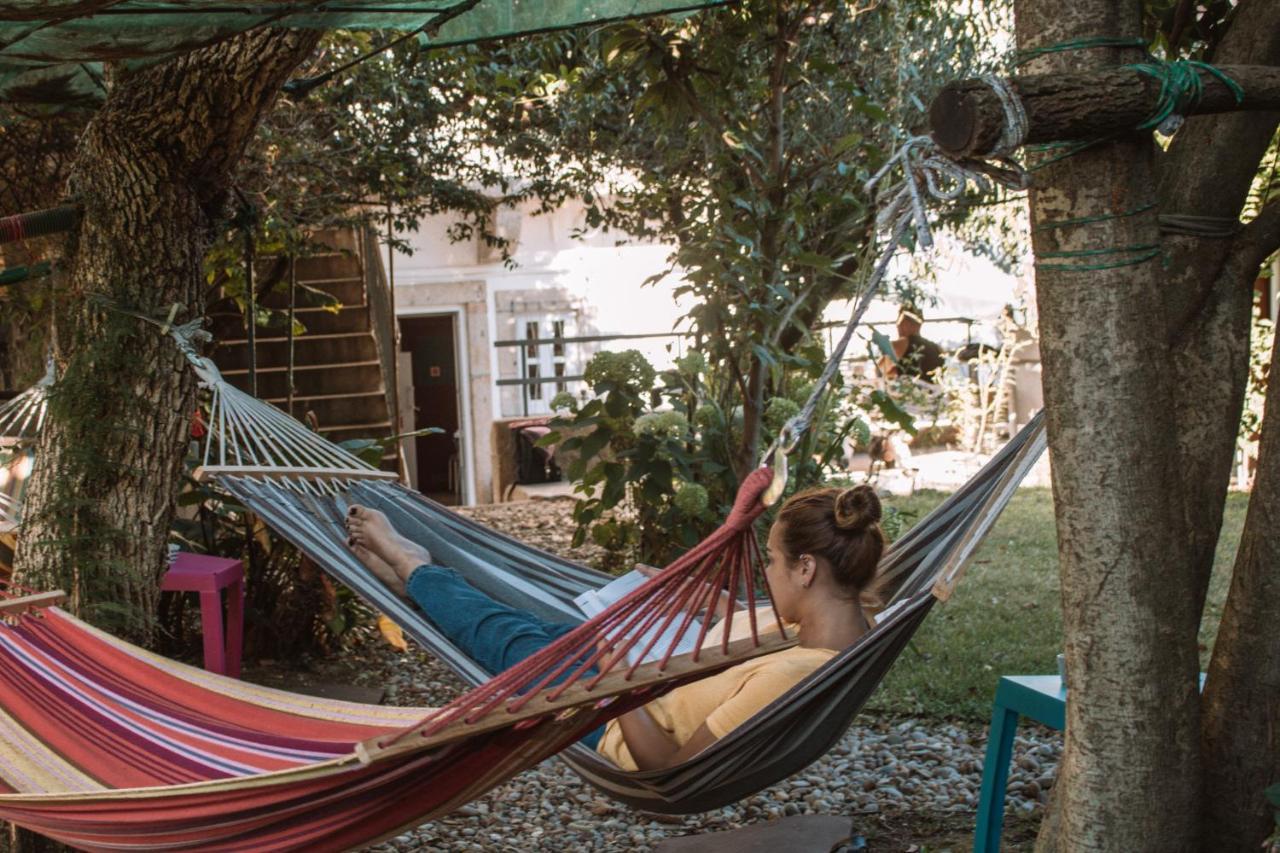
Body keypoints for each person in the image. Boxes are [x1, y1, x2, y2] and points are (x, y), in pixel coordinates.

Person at [344, 484, 885, 771]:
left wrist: (614, 672)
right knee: (528, 624)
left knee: (506, 640)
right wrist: (707, 599)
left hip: (621, 713)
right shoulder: (842, 625)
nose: (764, 575)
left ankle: (413, 569)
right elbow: (755, 622)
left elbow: (668, 767)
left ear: (807, 568)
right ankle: (420, 585)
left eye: (769, 560)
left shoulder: (791, 676)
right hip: (656, 669)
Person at [879, 305, 944, 382]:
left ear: (905, 323)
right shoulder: (937, 348)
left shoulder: (900, 344)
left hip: (907, 392)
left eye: (899, 322)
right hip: (934, 392)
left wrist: (893, 372)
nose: (898, 327)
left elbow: (880, 371)